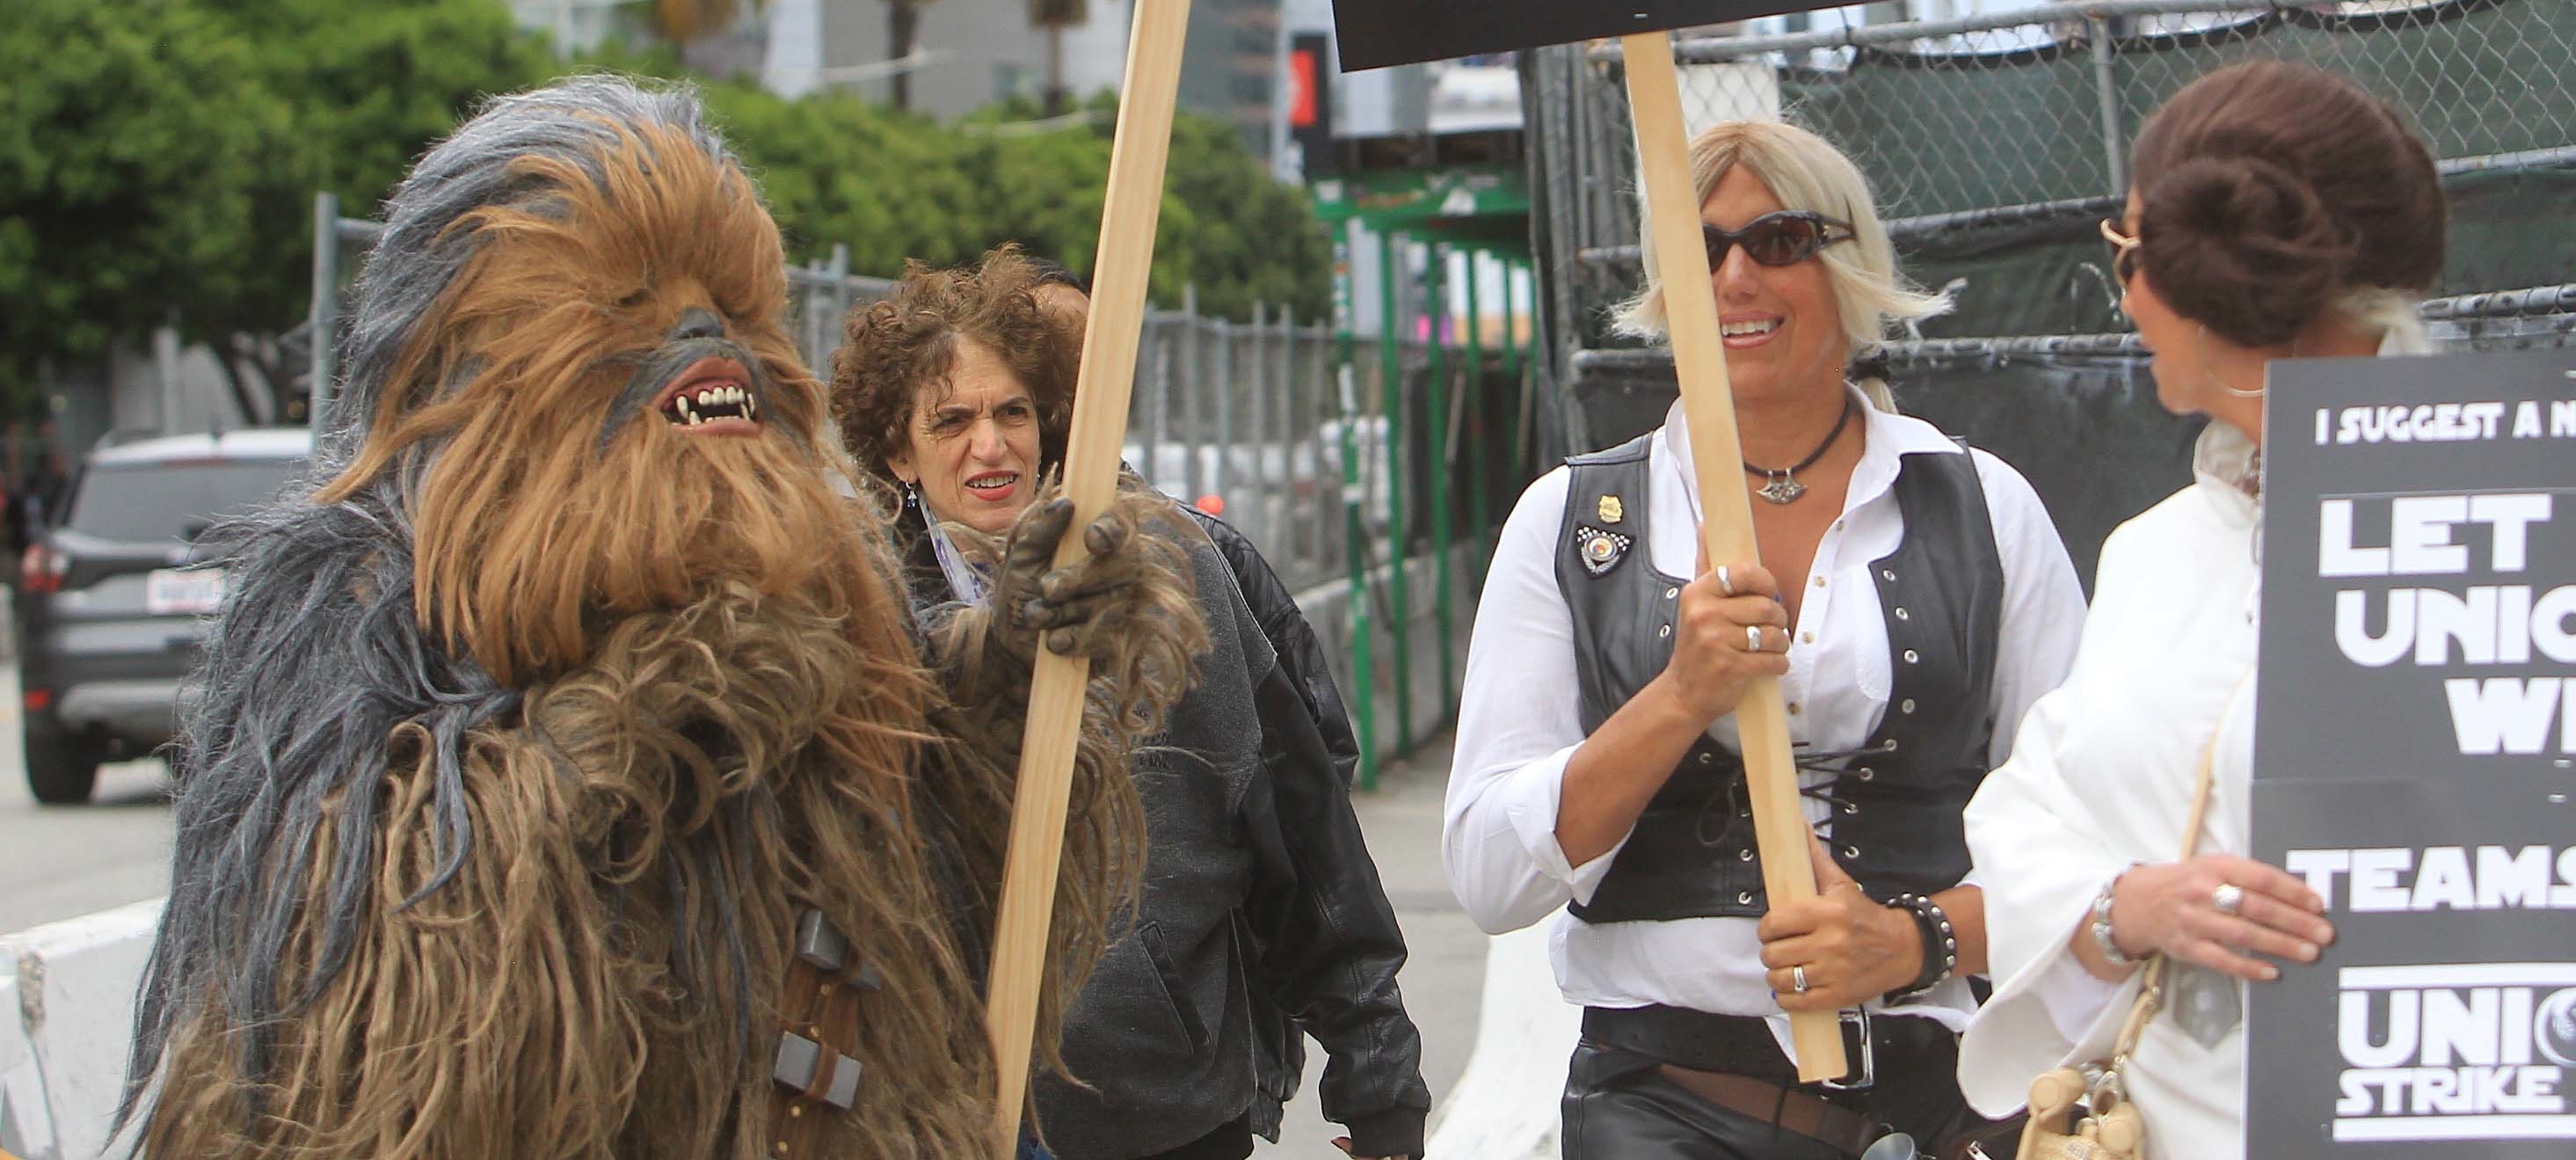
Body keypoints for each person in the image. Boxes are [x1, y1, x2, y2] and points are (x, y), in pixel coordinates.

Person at [125, 78, 1199, 1160]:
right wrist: (654, 705)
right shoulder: (360, 593)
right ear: (462, 356)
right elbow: (337, 1022)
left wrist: (1017, 670)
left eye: (735, 308)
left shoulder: (824, 595)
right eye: (632, 301)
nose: (703, 338)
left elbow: (929, 884)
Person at [1447, 118, 2089, 1159]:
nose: (1735, 276)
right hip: (1664, 1105)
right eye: (1701, 249)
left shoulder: (1982, 508)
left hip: (1948, 1102)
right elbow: (1488, 875)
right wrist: (1678, 697)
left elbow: (2096, 847)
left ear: (1848, 265)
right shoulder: (1572, 522)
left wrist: (1912, 939)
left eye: (1779, 239)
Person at [832, 247, 1431, 1160]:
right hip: (933, 1118)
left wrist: (1376, 1066)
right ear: (896, 450)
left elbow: (1301, 831)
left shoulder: (1180, 569)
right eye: (950, 419)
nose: (988, 445)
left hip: (1162, 1111)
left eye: (1011, 412)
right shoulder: (851, 617)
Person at [1957, 60, 2449, 1159]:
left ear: (2209, 277)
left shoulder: (2518, 526)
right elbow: (2031, 806)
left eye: (2129, 255)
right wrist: (2122, 907)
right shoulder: (2155, 552)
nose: (2124, 295)